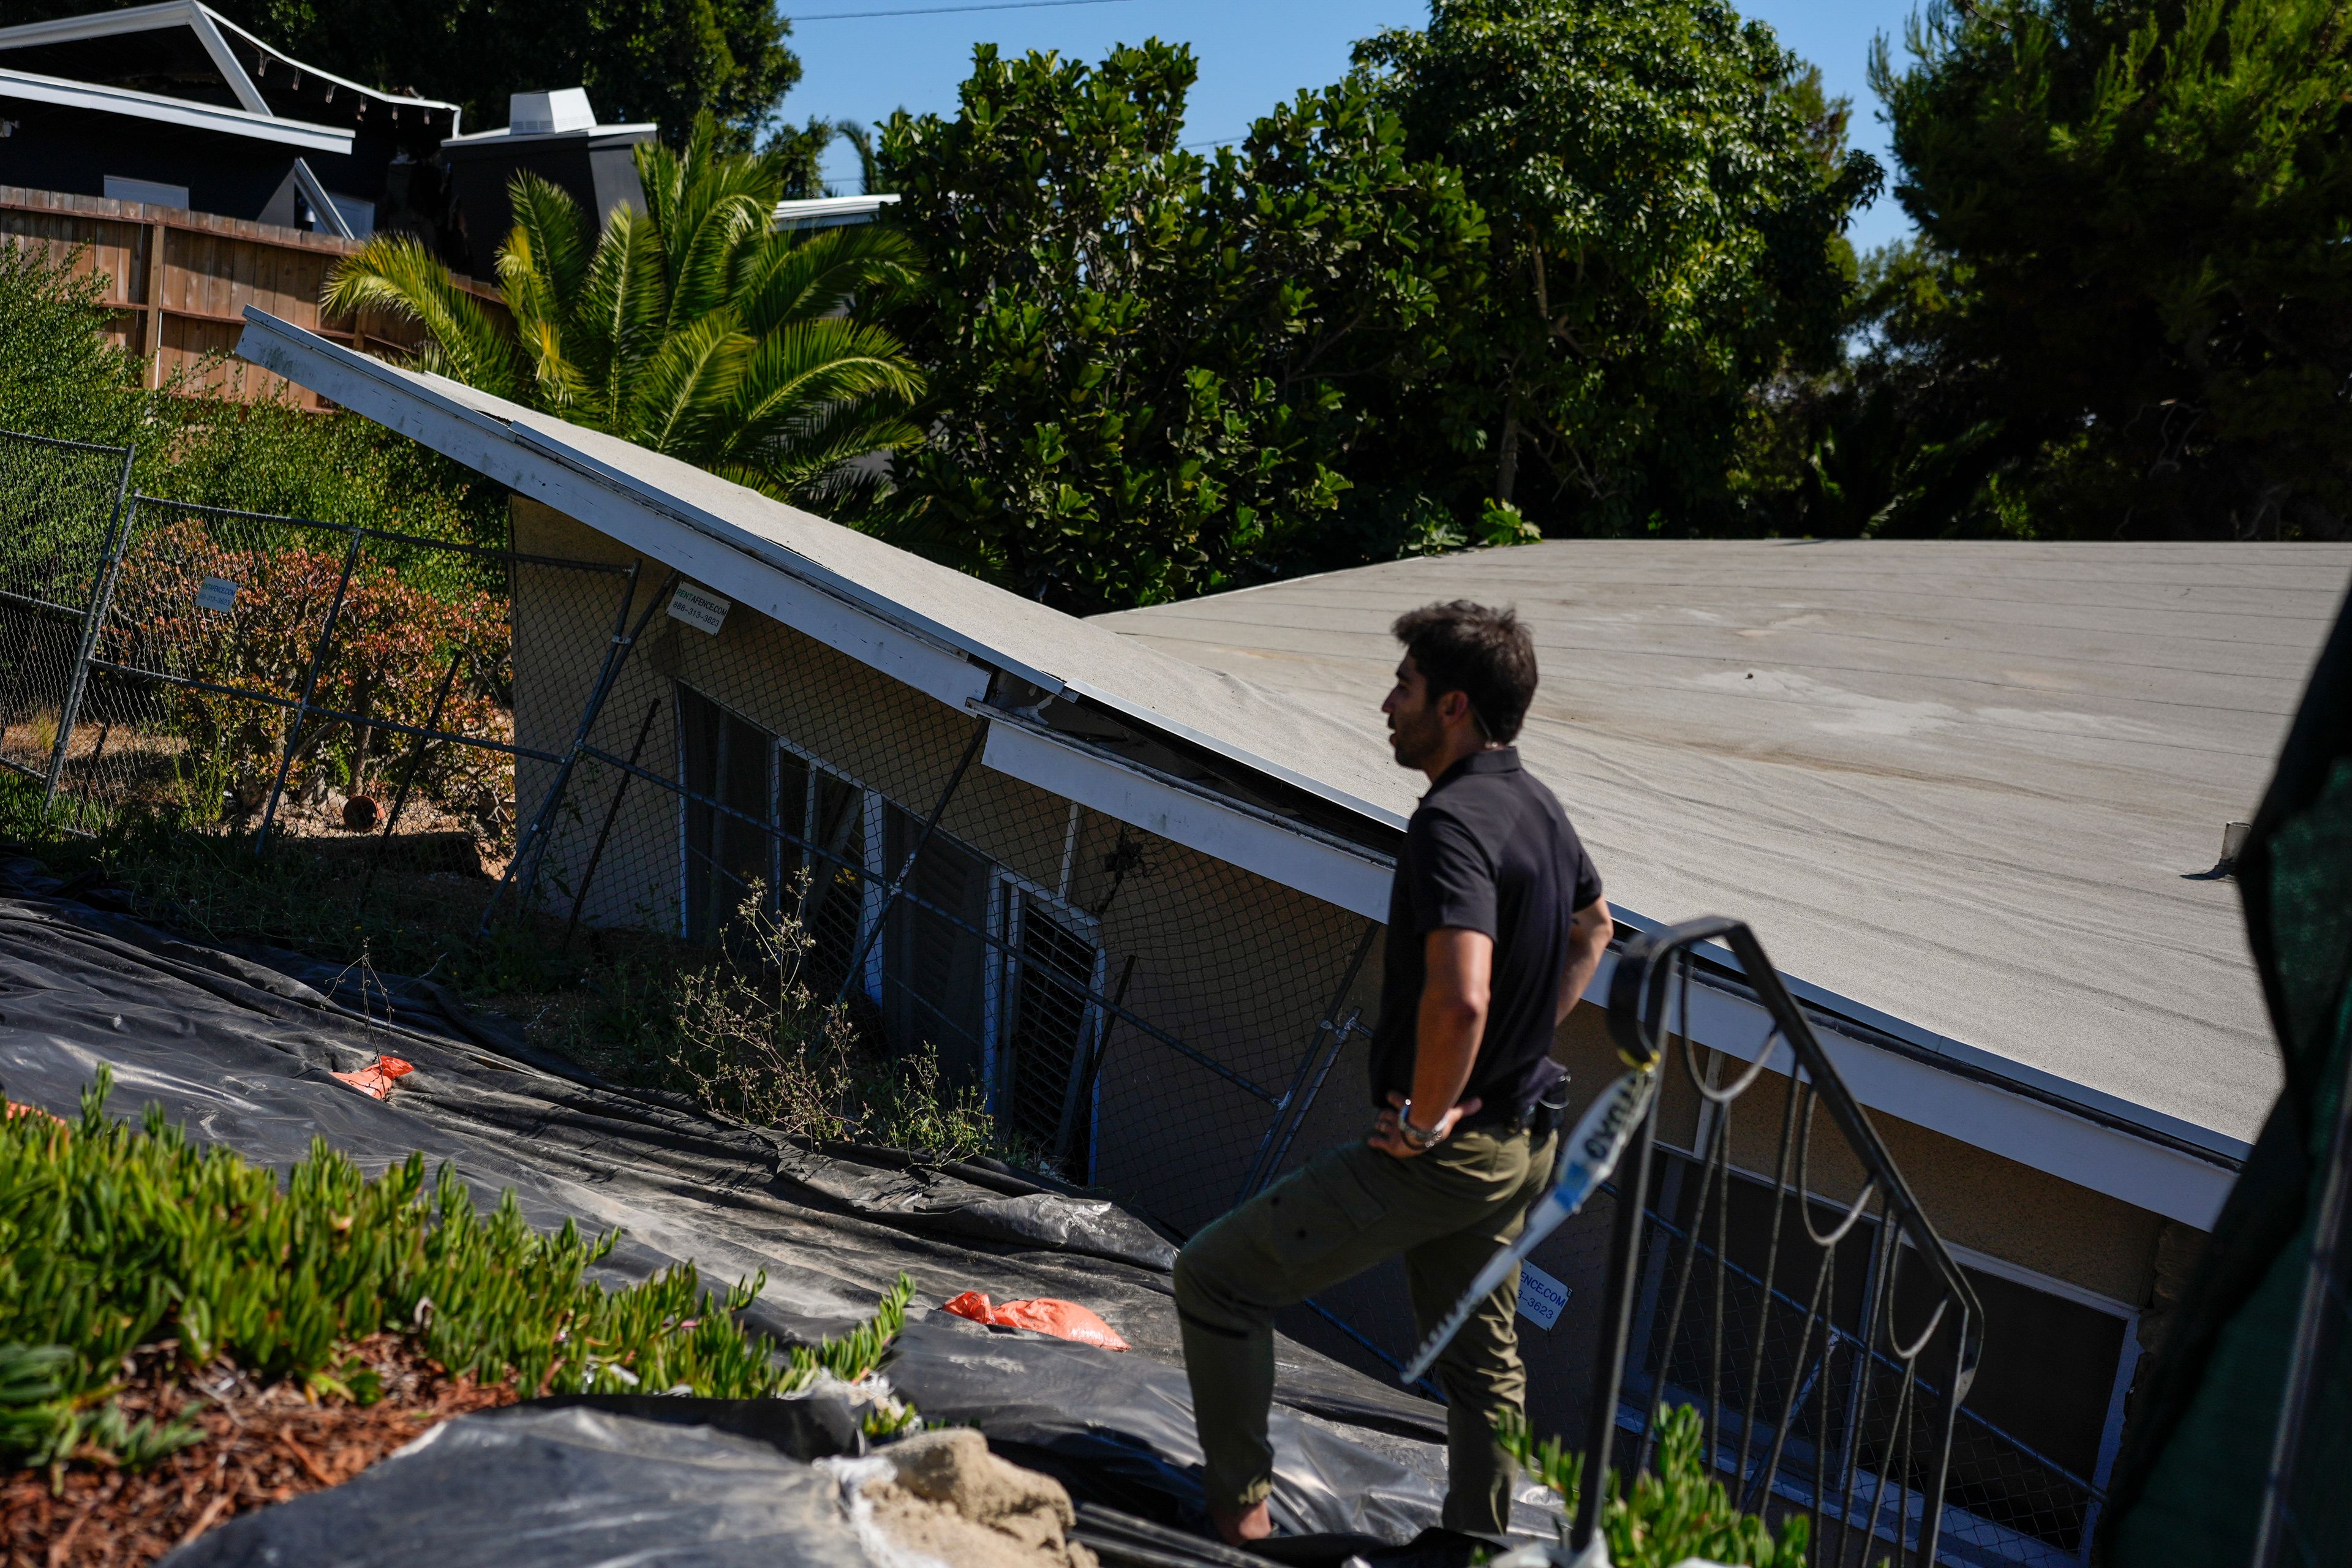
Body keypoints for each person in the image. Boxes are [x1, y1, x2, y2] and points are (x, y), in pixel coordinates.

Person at [1172, 599, 1614, 1545]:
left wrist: (1425, 1114)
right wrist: (1520, 1048)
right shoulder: (1535, 802)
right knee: (1479, 1354)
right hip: (1525, 1140)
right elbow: (1594, 928)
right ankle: (1479, 1544)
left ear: (1453, 706)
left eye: (1404, 686)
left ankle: (1236, 1531)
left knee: (1216, 1279)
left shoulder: (1453, 824)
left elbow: (1460, 998)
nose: (1387, 703)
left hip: (1449, 1152)